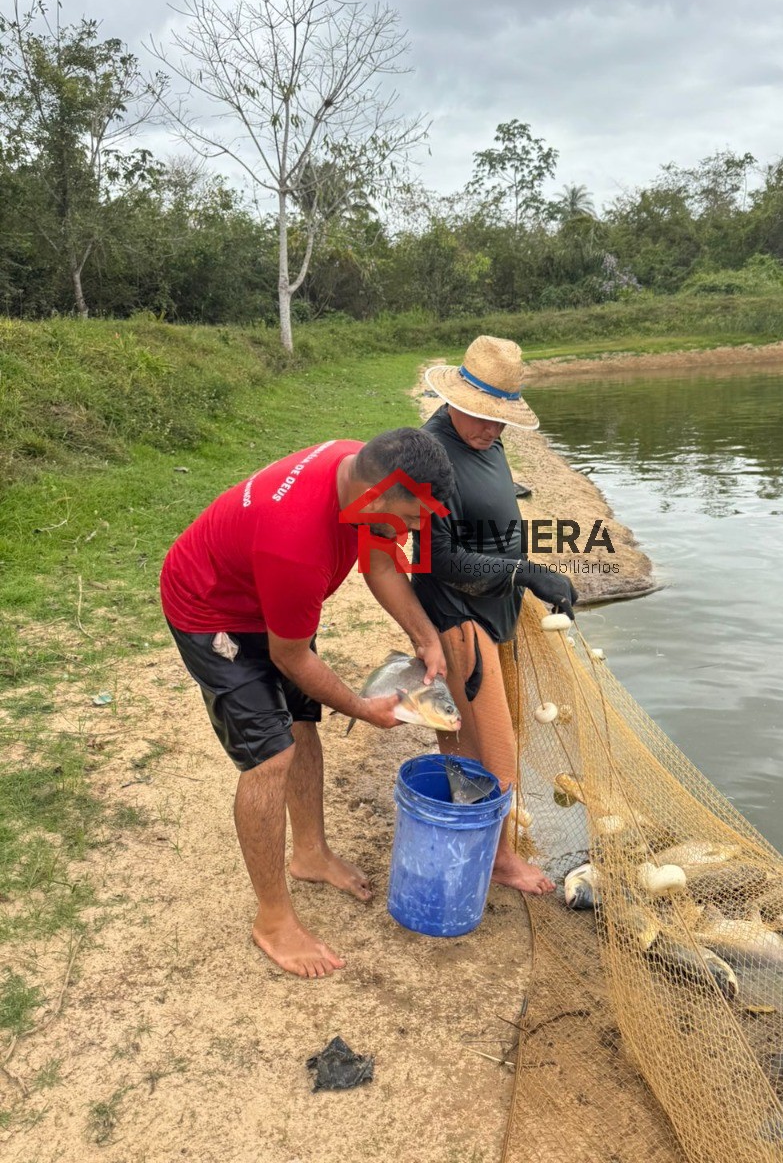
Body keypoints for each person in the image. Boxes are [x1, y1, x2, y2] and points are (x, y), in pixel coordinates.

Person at [160, 428, 455, 979]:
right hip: (213, 611)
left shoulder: (360, 473)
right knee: (270, 757)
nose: (419, 531)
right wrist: (365, 710)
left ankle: (311, 854)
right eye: (413, 520)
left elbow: (382, 565)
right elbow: (291, 657)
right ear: (379, 495)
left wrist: (425, 637)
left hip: (269, 599)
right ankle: (273, 919)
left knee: (300, 725)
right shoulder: (294, 540)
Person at [412, 336, 578, 895]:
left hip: (495, 605)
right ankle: (503, 860)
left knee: (461, 737)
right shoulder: (433, 455)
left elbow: (485, 518)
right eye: (485, 418)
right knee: (496, 745)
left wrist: (523, 566)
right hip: (458, 613)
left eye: (501, 420)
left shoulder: (486, 439)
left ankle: (472, 832)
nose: (494, 429)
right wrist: (524, 572)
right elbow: (436, 556)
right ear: (456, 401)